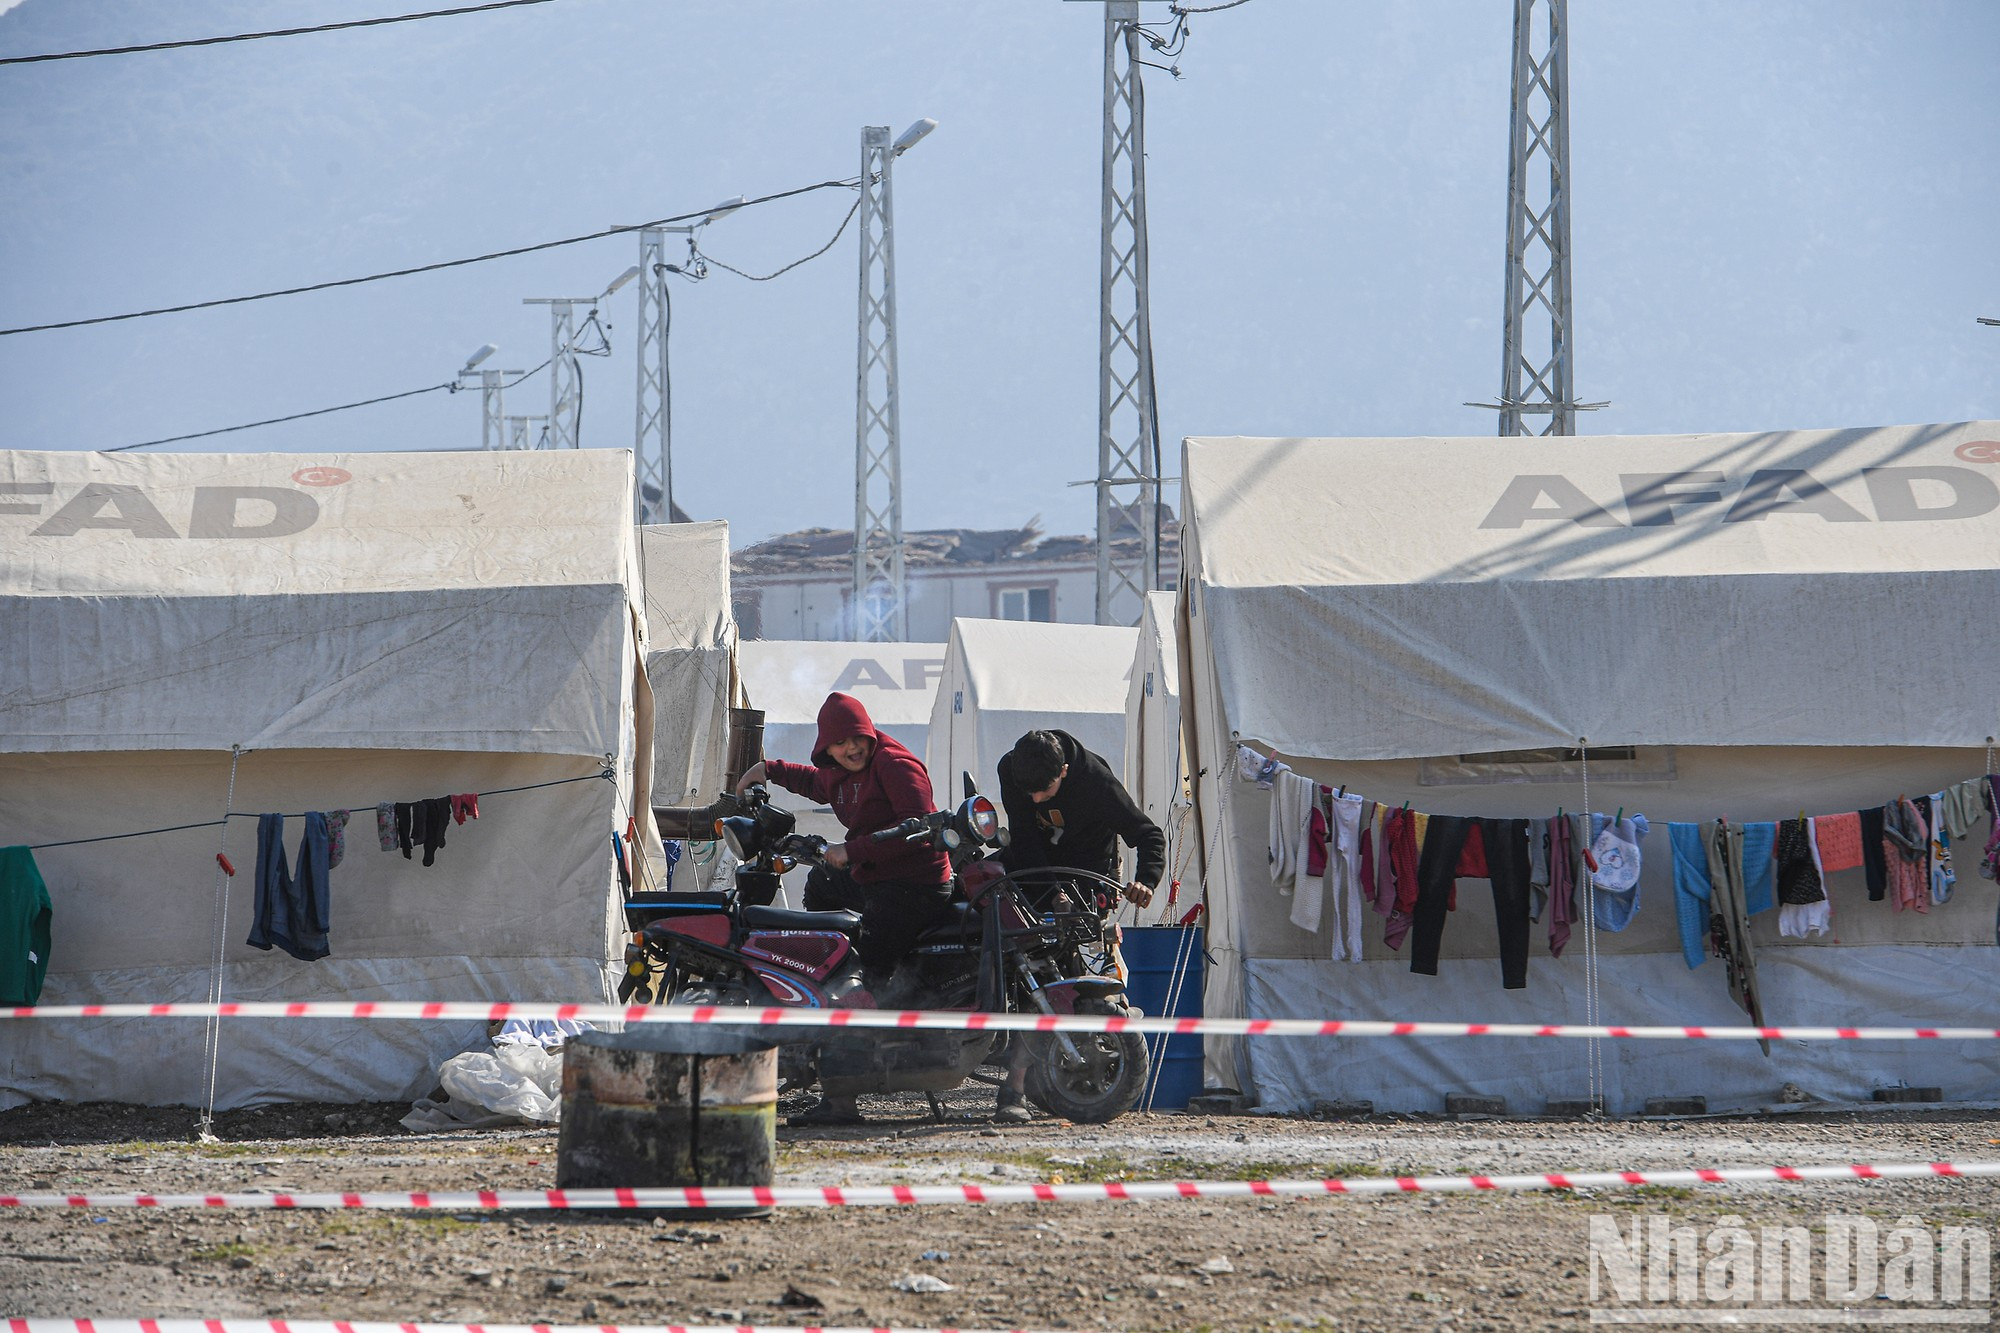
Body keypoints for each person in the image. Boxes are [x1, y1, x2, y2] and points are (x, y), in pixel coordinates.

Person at [734, 691, 952, 1125]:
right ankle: (825, 978)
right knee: (820, 886)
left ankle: (843, 1095)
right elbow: (815, 783)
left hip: (915, 885)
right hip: (873, 876)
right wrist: (767, 770)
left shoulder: (896, 765)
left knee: (856, 979)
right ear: (827, 748)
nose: (852, 748)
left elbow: (919, 831)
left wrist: (852, 850)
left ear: (869, 735)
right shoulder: (838, 771)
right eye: (842, 742)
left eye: (859, 738)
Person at [990, 728, 1166, 1122]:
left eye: (1044, 791)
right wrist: (1052, 892)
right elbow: (1025, 838)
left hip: (1086, 874)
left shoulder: (1096, 782)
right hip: (1035, 871)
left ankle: (1016, 1084)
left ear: (1066, 771)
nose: (1034, 799)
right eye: (1028, 791)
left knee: (1050, 973)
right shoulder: (1012, 770)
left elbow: (1148, 834)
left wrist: (1147, 880)